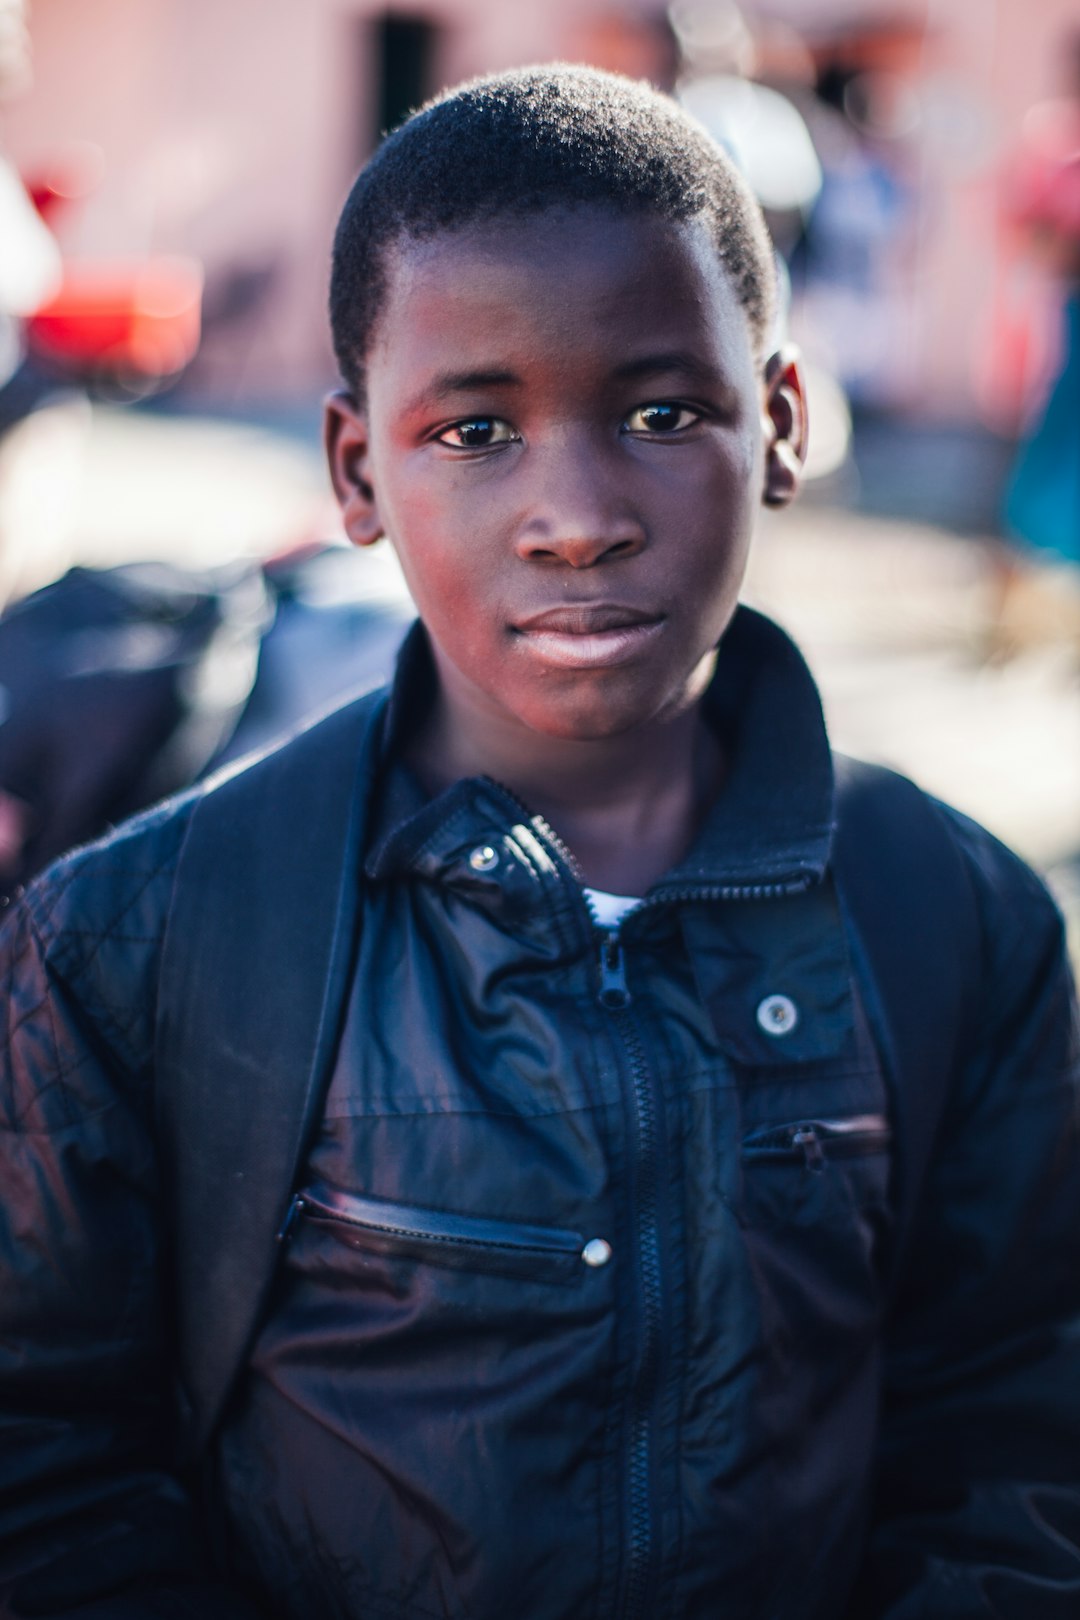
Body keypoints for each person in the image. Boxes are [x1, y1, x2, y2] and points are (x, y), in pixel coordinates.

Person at [1, 65, 1078, 1620]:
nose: (576, 514)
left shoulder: (952, 919)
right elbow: (48, 1472)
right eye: (476, 430)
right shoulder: (140, 938)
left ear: (776, 424)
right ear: (358, 469)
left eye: (660, 411)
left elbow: (1013, 1453)